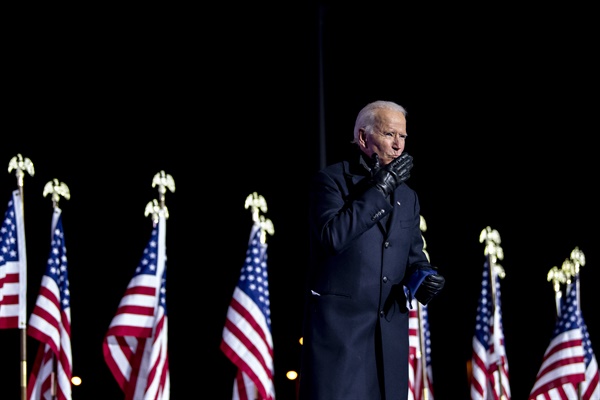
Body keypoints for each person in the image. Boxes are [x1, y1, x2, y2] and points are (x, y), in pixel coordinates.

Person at [298, 100, 445, 400]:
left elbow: (413, 256)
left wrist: (424, 275)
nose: (398, 145)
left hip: (388, 341)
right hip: (341, 343)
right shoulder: (331, 182)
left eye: (403, 137)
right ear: (364, 138)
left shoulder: (408, 197)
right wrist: (380, 189)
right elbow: (332, 237)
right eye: (390, 135)